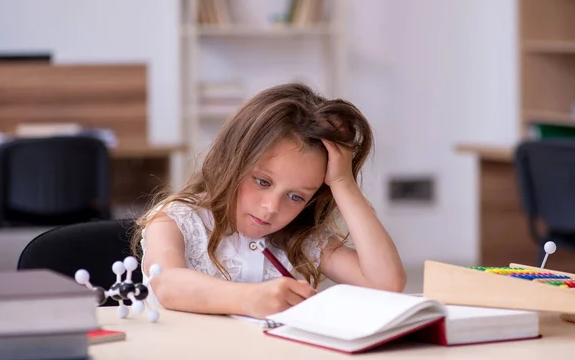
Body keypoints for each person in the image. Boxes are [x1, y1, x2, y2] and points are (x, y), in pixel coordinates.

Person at [131, 82, 406, 319]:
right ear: (232, 159)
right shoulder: (175, 219)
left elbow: (384, 283)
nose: (272, 207)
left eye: (296, 196)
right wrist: (250, 298)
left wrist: (343, 183)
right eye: (262, 182)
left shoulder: (301, 238)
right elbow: (166, 283)